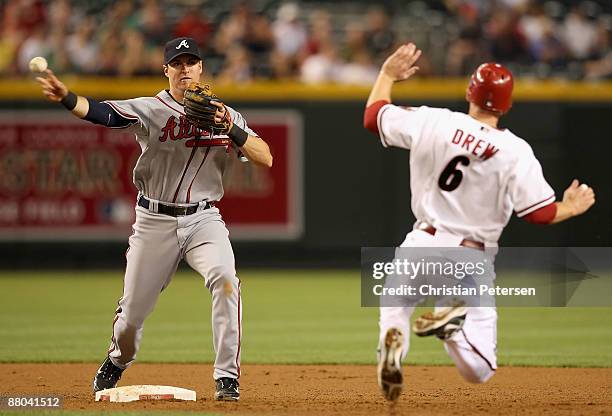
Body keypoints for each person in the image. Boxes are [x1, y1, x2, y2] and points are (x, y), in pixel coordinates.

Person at [36, 37, 273, 401]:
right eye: (177, 63)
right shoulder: (151, 109)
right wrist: (68, 97)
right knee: (131, 317)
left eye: (191, 62)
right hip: (154, 221)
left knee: (226, 281)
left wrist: (231, 127)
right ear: (166, 71)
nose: (184, 69)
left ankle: (227, 378)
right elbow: (104, 114)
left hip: (204, 220)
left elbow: (265, 157)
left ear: (201, 69)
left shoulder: (226, 115)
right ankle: (118, 359)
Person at [363, 43, 595, 401]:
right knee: (480, 369)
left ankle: (390, 346)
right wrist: (571, 207)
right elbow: (539, 213)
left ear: (470, 91)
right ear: (508, 104)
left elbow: (373, 116)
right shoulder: (516, 151)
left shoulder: (433, 120)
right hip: (469, 258)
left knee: (396, 308)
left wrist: (387, 75)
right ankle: (452, 329)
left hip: (419, 244)